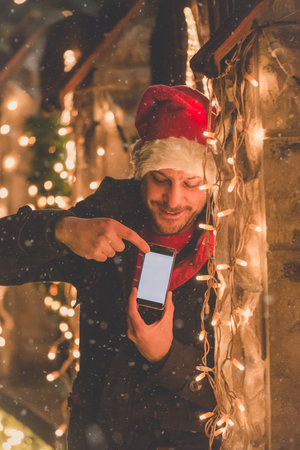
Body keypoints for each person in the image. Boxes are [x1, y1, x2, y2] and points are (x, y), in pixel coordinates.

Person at [0, 84, 221, 450]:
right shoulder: (110, 214)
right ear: (142, 173)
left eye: (191, 184)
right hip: (98, 436)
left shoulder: (232, 241)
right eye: (161, 179)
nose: (173, 199)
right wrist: (62, 230)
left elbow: (249, 390)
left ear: (210, 183)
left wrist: (166, 357)